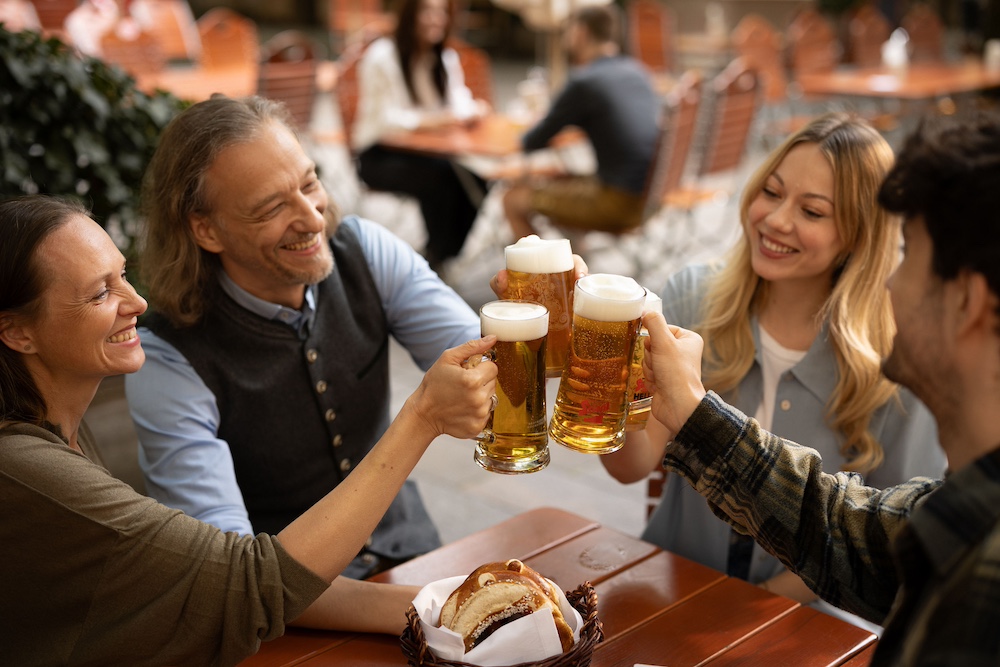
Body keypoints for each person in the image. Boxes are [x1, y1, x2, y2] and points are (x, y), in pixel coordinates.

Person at [0, 194, 497, 664]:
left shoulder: (53, 424)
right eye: (99, 293)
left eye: (123, 275)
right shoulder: (25, 466)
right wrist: (421, 418)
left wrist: (550, 322)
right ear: (17, 331)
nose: (137, 302)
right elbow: (250, 584)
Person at [638, 111, 1000, 662]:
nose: (891, 282)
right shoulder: (957, 516)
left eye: (910, 261)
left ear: (967, 302)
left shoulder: (979, 593)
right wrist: (690, 411)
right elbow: (842, 531)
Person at [126, 95, 486, 579]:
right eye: (272, 206)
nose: (314, 218)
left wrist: (555, 327)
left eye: (309, 182)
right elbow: (234, 579)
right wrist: (419, 608)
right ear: (207, 230)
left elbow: (494, 382)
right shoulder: (168, 359)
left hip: (413, 557)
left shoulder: (365, 251)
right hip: (290, 618)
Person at [502, 4, 659, 240]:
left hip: (619, 203)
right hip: (653, 196)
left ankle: (538, 275)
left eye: (568, 30)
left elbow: (534, 139)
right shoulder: (637, 72)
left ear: (581, 33)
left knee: (512, 199)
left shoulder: (585, 82)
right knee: (559, 176)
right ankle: (572, 259)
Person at [352, 0, 487, 270]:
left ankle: (443, 256)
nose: (436, 19)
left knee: (477, 180)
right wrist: (433, 121)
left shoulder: (443, 58)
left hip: (428, 153)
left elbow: (459, 101)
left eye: (441, 13)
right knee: (441, 179)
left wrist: (473, 110)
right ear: (410, 16)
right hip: (378, 154)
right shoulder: (382, 56)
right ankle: (436, 259)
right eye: (428, 11)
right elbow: (385, 120)